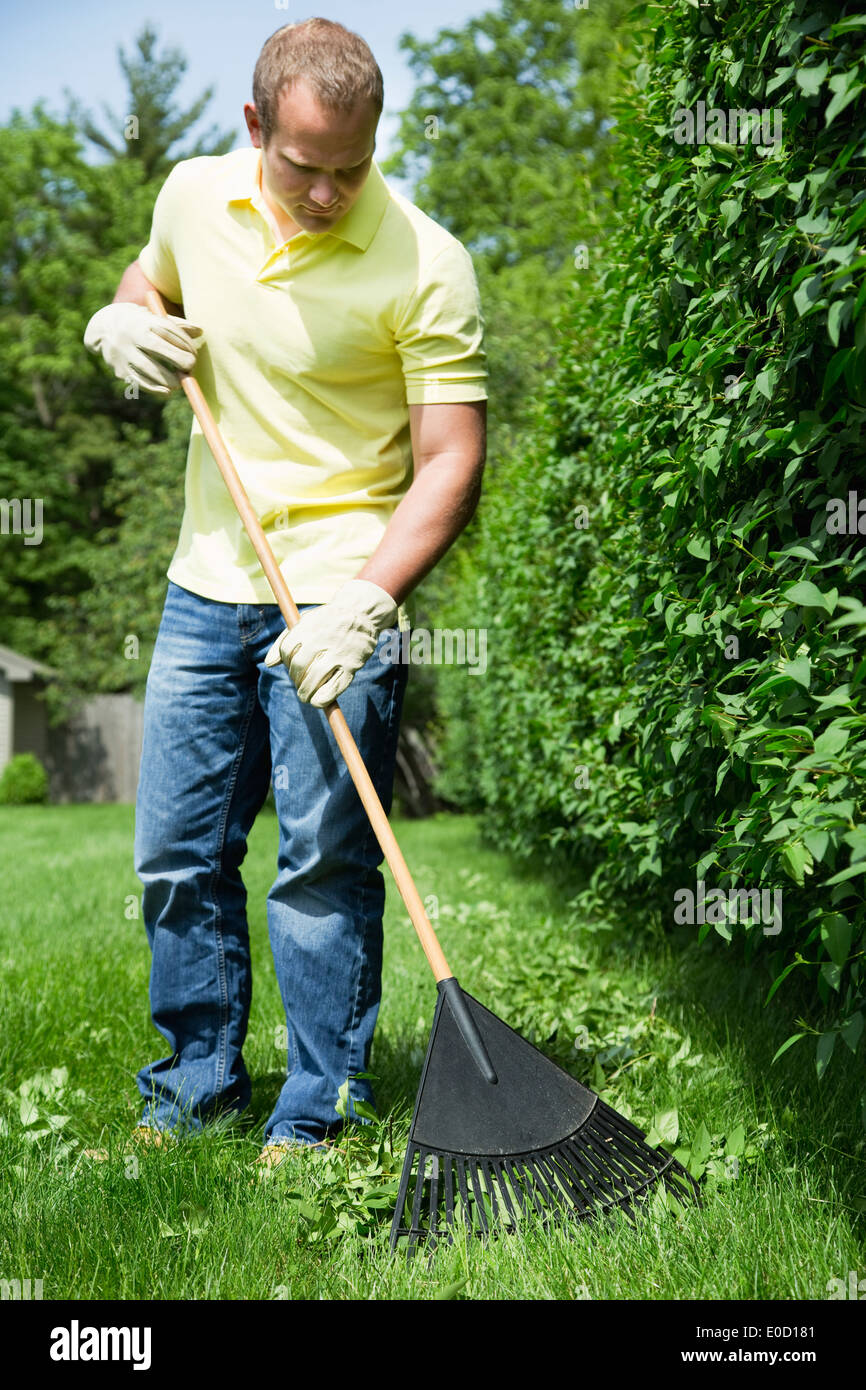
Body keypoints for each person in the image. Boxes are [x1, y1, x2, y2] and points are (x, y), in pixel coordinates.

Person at [83, 18, 487, 1167]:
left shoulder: (425, 259)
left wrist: (365, 603)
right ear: (254, 126)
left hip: (340, 581)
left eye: (347, 170)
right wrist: (125, 319)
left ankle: (317, 1110)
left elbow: (451, 457)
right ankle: (193, 1085)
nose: (323, 193)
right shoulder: (191, 194)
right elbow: (147, 281)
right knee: (175, 851)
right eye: (300, 165)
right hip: (206, 579)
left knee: (319, 858)